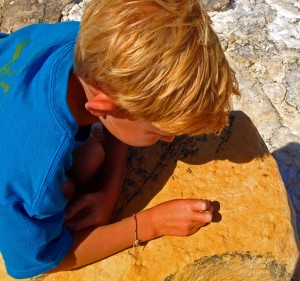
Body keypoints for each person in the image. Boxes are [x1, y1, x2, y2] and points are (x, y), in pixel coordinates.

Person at [0, 0, 240, 278]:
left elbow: (119, 115)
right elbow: (39, 261)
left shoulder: (88, 43)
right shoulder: (34, 168)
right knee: (63, 187)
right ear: (102, 109)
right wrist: (148, 224)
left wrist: (109, 191)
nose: (170, 138)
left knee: (91, 158)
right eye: (160, 131)